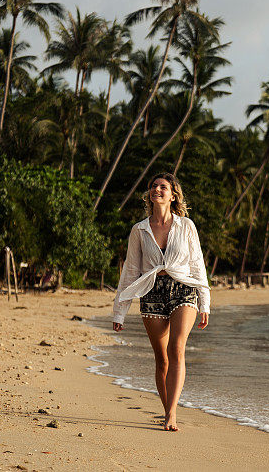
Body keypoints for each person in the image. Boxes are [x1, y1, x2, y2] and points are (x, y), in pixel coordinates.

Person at [112, 172, 210, 431]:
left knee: (177, 348)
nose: (157, 189)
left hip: (183, 288)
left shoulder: (186, 226)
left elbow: (197, 265)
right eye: (153, 186)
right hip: (151, 292)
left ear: (173, 195)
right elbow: (131, 271)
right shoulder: (139, 230)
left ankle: (171, 415)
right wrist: (119, 312)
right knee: (162, 359)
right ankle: (168, 409)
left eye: (163, 187)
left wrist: (205, 303)